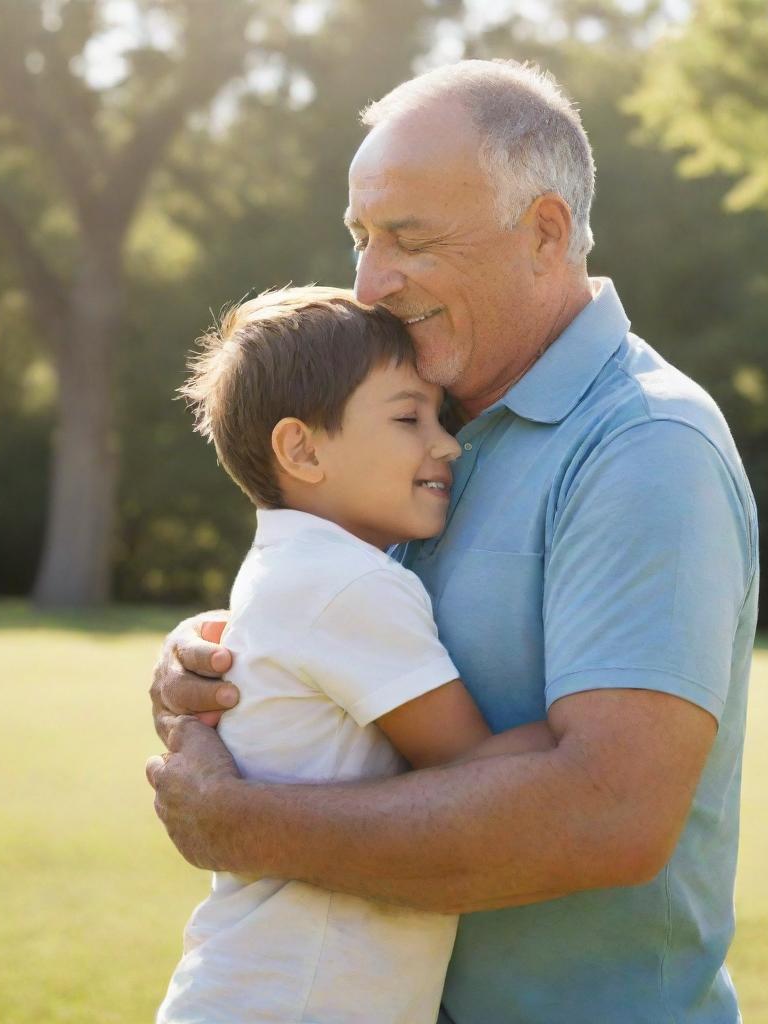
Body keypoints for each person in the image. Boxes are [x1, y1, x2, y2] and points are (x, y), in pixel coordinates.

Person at [148, 60, 759, 1023]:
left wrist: (244, 824)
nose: (369, 282)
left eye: (409, 239)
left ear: (545, 232)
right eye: (359, 238)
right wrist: (224, 659)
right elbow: (344, 634)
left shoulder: (646, 447)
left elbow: (612, 816)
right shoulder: (426, 427)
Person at [156, 286, 555, 1023]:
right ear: (301, 449)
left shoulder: (291, 567)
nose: (446, 443)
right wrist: (590, 738)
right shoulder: (352, 583)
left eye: (440, 417)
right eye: (409, 418)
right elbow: (469, 768)